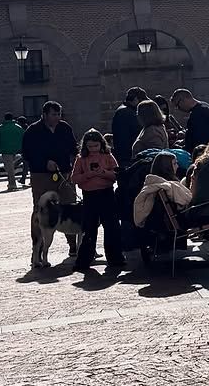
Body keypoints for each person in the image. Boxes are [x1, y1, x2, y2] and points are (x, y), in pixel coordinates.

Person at [21, 101, 79, 255]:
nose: (57, 117)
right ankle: (38, 248)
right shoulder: (33, 131)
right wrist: (44, 162)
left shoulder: (65, 128)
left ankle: (73, 245)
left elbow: (74, 148)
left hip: (64, 174)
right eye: (54, 114)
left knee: (69, 206)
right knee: (41, 209)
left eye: (59, 114)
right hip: (41, 175)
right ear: (45, 114)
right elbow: (27, 154)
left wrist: (77, 160)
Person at [71, 129, 125, 271]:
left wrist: (104, 173)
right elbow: (74, 178)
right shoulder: (81, 158)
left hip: (106, 194)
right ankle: (83, 260)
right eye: (90, 146)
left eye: (96, 146)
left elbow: (117, 174)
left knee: (112, 227)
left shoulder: (108, 156)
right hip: (89, 196)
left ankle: (116, 258)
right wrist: (88, 175)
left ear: (101, 144)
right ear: (85, 146)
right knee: (89, 229)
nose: (93, 149)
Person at [111, 87, 147, 167]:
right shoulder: (126, 113)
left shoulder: (124, 111)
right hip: (128, 156)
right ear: (135, 99)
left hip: (126, 155)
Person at [0, 112, 24, 192]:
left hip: (5, 150)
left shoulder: (0, 128)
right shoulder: (18, 127)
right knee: (10, 166)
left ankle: (12, 183)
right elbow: (23, 137)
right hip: (16, 150)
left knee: (9, 167)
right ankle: (11, 182)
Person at [16, 116, 30, 186]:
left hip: (27, 150)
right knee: (26, 165)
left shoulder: (23, 129)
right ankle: (23, 179)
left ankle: (23, 179)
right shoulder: (27, 128)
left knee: (26, 165)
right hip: (28, 150)